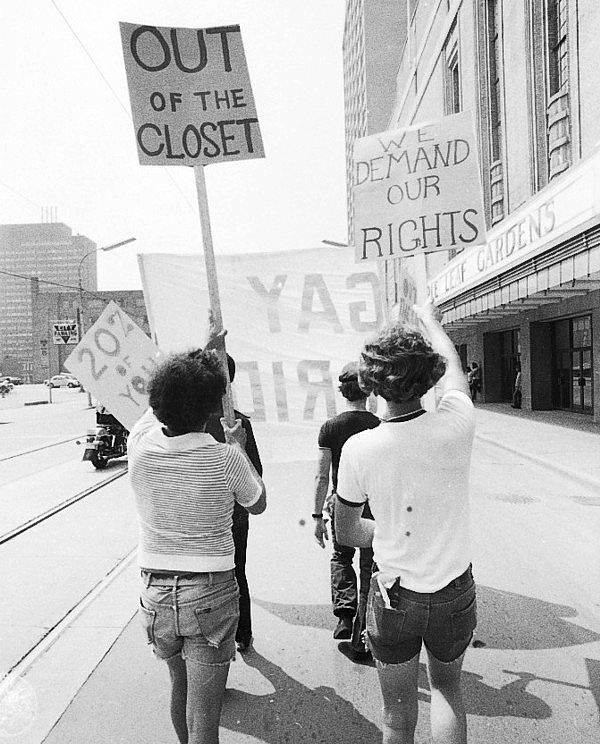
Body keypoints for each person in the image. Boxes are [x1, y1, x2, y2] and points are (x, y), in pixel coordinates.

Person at [335, 300, 476, 744]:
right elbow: (453, 364)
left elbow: (347, 531)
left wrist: (393, 530)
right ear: (428, 375)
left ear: (372, 380)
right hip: (454, 590)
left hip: (395, 596)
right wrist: (426, 318)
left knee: (397, 717)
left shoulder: (359, 448)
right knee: (448, 690)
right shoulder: (458, 423)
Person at [128, 327, 267, 744]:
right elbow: (257, 503)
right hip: (209, 594)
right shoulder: (224, 457)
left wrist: (196, 360)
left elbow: (159, 405)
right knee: (205, 713)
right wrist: (240, 446)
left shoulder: (140, 447)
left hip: (155, 593)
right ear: (210, 407)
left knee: (179, 687)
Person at [313, 361, 379, 660]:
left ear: (343, 392)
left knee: (341, 556)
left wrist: (316, 516)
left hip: (341, 503)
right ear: (368, 390)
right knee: (369, 565)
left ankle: (344, 613)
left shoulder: (330, 427)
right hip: (373, 508)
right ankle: (362, 633)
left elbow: (321, 476)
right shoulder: (379, 425)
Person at [205, 353, 262, 653]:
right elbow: (257, 476)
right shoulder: (238, 422)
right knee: (237, 571)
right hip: (237, 515)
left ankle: (219, 639)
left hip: (205, 516)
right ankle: (243, 633)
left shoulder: (191, 424)